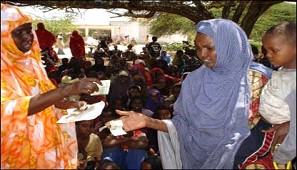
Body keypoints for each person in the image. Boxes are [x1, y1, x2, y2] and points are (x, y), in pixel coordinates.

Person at [108, 18, 254, 169]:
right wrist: (147, 121)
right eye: (197, 48)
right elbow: (181, 126)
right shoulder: (194, 81)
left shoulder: (255, 81)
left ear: (230, 46)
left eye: (210, 48)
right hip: (195, 161)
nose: (202, 55)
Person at [1, 4, 102, 169]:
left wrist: (70, 104)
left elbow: (45, 94)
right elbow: (12, 109)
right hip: (18, 149)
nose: (28, 36)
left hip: (43, 141)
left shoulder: (30, 62)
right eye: (19, 32)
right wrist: (68, 89)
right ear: (3, 35)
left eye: (28, 30)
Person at [234, 21, 296, 169]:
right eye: (266, 50)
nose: (267, 55)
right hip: (264, 125)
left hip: (271, 131)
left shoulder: (293, 82)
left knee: (239, 156)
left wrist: (282, 155)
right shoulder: (284, 71)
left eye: (274, 50)